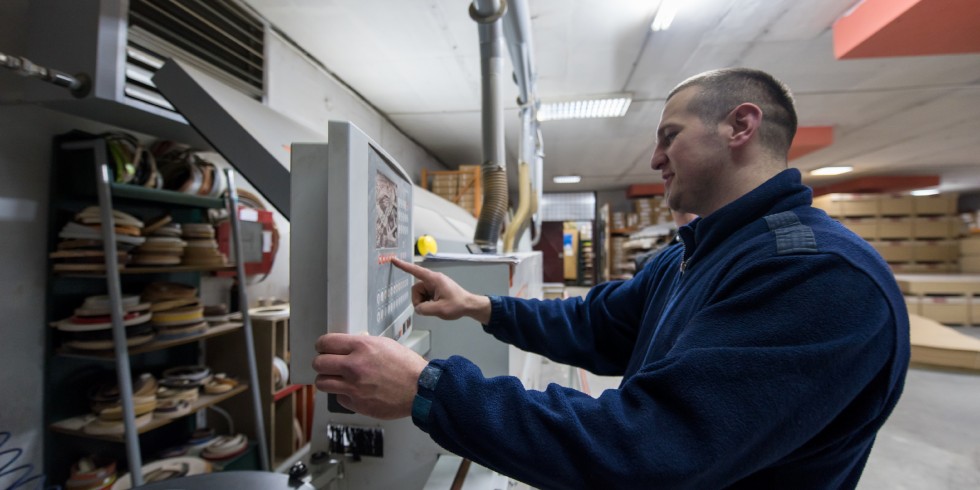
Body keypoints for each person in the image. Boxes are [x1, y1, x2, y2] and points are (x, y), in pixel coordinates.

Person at [312, 68, 910, 489]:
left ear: (741, 126)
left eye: (669, 136)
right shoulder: (702, 251)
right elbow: (596, 322)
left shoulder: (815, 275)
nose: (655, 159)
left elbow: (649, 449)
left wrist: (430, 389)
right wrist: (478, 306)